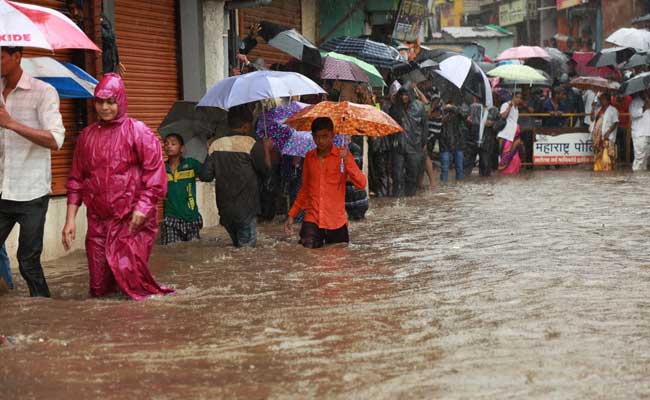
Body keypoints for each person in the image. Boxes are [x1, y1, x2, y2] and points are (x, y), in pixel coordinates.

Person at [62, 73, 174, 300]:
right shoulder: (86, 137)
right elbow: (76, 179)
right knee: (98, 287)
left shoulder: (138, 131)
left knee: (132, 286)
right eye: (100, 102)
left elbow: (155, 173)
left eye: (110, 102)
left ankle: (135, 330)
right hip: (98, 223)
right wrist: (70, 219)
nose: (104, 107)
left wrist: (143, 207)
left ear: (121, 101)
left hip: (132, 222)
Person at [0, 47, 65, 298]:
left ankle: (44, 314)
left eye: (1, 57)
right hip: (2, 189)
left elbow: (55, 139)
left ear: (17, 57)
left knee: (28, 262)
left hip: (31, 193)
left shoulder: (43, 92)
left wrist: (11, 124)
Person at [284, 117, 367, 248]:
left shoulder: (343, 156)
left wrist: (347, 160)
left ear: (332, 135)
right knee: (307, 255)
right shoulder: (309, 157)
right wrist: (292, 214)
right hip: (312, 218)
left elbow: (361, 184)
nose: (320, 141)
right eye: (317, 137)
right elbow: (305, 189)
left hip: (336, 221)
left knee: (337, 260)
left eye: (325, 136)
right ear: (312, 136)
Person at [200, 104, 272, 247]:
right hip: (247, 209)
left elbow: (205, 176)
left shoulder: (216, 145)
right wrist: (266, 150)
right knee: (246, 254)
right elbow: (266, 172)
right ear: (246, 126)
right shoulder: (251, 144)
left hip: (225, 211)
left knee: (237, 248)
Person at [161, 134, 203, 245]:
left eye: (173, 144)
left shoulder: (191, 164)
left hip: (191, 217)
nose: (169, 146)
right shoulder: (161, 168)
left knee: (193, 253)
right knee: (172, 253)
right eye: (166, 144)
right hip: (171, 219)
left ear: (182, 148)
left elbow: (207, 174)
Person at [389, 87, 428, 196]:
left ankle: (411, 199)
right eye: (401, 95)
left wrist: (424, 142)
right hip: (398, 145)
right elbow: (390, 123)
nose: (404, 97)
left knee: (412, 174)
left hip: (414, 144)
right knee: (397, 174)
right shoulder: (396, 107)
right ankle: (397, 199)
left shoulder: (419, 106)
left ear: (411, 95)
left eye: (406, 95)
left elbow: (425, 126)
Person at [438, 97, 467, 183]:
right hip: (444, 142)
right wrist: (445, 115)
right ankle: (444, 187)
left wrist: (454, 108)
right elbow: (437, 122)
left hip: (458, 142)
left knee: (459, 167)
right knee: (445, 167)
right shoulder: (440, 110)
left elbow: (465, 115)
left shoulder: (457, 111)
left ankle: (459, 186)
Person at [590, 93, 619, 171]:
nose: (601, 101)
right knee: (598, 157)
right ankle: (599, 171)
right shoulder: (598, 109)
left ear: (608, 100)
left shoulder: (613, 110)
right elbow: (592, 119)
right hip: (597, 138)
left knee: (607, 157)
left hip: (608, 137)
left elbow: (615, 122)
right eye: (601, 99)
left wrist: (608, 132)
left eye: (603, 99)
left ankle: (608, 173)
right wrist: (593, 108)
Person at [345, 142, 369, 221]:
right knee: (351, 217)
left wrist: (345, 158)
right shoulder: (335, 149)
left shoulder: (355, 148)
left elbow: (356, 166)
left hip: (357, 190)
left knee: (360, 218)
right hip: (347, 194)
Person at [479, 106, 505, 177]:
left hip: (488, 142)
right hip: (473, 140)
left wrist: (492, 123)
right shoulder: (476, 108)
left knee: (486, 164)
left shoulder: (494, 110)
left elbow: (502, 122)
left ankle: (485, 179)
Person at [629, 90, 650, 171]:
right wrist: (645, 107)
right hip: (639, 134)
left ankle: (643, 181)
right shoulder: (634, 102)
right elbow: (633, 114)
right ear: (642, 91)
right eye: (647, 91)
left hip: (648, 133)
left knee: (646, 159)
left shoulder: (648, 100)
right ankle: (637, 179)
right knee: (640, 159)